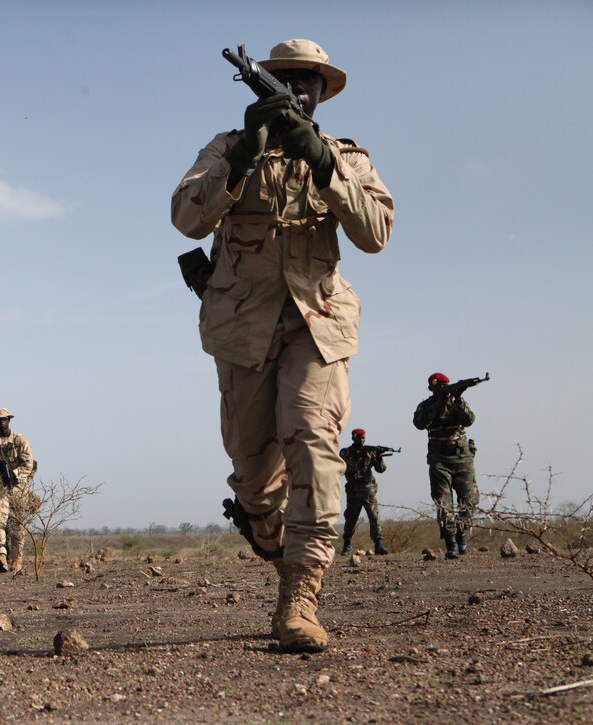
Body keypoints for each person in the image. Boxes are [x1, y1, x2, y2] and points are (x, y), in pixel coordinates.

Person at [171, 39, 394, 653]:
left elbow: (376, 233)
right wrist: (245, 151)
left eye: (309, 82)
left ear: (323, 94)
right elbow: (187, 218)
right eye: (285, 79)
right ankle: (274, 542)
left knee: (312, 435)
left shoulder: (344, 156)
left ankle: (301, 594)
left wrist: (322, 163)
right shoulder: (226, 148)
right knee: (254, 478)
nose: (298, 90)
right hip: (242, 329)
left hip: (316, 324)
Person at [413, 372, 478, 559]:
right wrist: (438, 403)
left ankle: (462, 535)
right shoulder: (426, 406)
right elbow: (420, 423)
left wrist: (458, 399)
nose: (443, 389)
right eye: (439, 386)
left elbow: (469, 420)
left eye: (445, 386)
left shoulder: (458, 403)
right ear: (431, 388)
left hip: (462, 459)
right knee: (444, 503)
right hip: (439, 459)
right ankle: (451, 542)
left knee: (468, 501)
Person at [0, 408, 36, 574]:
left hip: (18, 488)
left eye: (3, 419)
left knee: (17, 526)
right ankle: (2, 554)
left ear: (8, 420)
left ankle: (16, 562)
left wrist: (14, 474)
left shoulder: (20, 440)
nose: (1, 422)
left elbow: (28, 464)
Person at [338, 428, 389, 556]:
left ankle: (378, 544)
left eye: (363, 438)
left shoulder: (370, 452)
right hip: (353, 490)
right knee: (350, 518)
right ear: (353, 438)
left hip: (368, 489)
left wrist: (378, 457)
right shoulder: (346, 453)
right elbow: (340, 468)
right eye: (359, 438)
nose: (361, 440)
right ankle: (347, 545)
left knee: (374, 516)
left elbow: (381, 469)